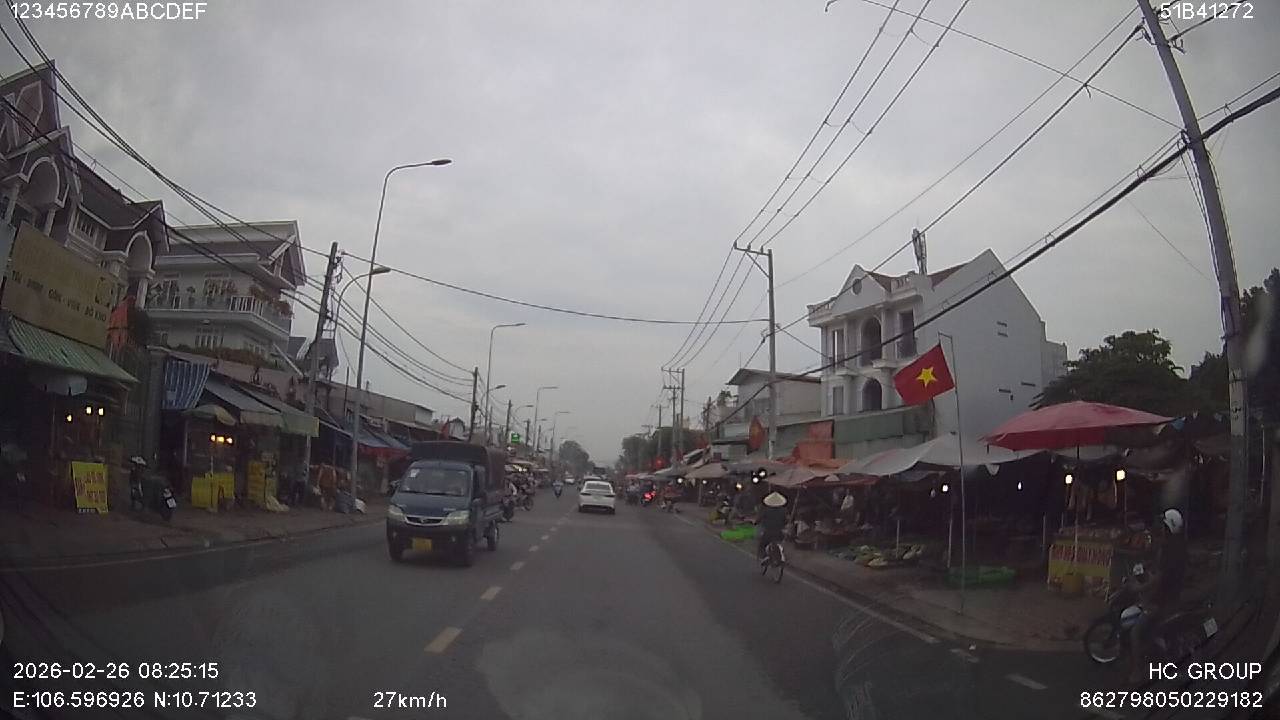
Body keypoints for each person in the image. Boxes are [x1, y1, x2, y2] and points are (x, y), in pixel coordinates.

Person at [1129, 508, 1188, 682]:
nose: (1160, 528)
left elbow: (1159, 578)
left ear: (1168, 527)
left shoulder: (1169, 549)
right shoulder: (1179, 545)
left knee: (1135, 632)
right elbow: (1162, 570)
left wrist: (1140, 588)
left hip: (1162, 599)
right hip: (1173, 594)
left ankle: (1137, 671)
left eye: (1163, 525)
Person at [757, 491, 788, 562]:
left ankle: (763, 556)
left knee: (761, 544)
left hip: (768, 532)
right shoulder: (784, 510)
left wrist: (756, 522)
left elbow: (759, 519)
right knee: (780, 543)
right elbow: (785, 521)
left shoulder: (765, 510)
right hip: (779, 532)